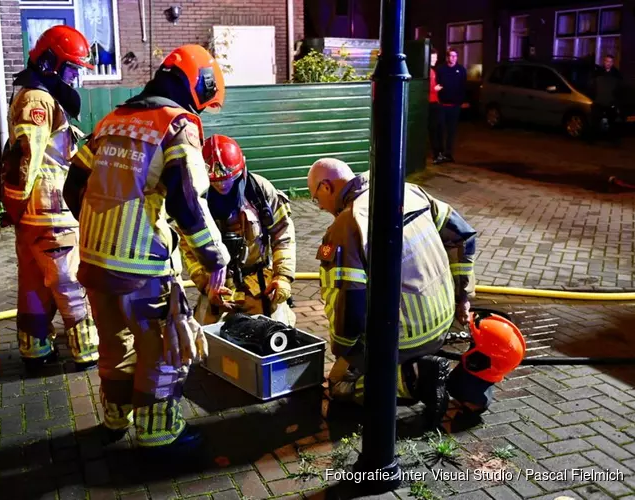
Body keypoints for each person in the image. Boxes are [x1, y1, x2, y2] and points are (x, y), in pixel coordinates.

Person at [62, 44, 231, 453]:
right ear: (198, 84)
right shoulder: (177, 126)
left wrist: (101, 228)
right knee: (162, 348)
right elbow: (188, 203)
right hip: (143, 269)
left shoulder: (112, 120)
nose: (202, 110)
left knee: (114, 344)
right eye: (205, 101)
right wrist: (215, 258)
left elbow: (72, 187)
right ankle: (159, 434)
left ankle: (115, 419)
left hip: (95, 263)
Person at [308, 158, 477, 429]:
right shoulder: (410, 191)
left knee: (338, 384)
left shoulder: (348, 224)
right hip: (444, 323)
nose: (321, 207)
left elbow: (349, 303)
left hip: (404, 339)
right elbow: (464, 236)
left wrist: (345, 352)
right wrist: (463, 296)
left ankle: (416, 378)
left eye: (317, 199)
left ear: (326, 187)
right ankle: (421, 367)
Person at [0, 25, 100, 369]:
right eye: (72, 68)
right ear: (51, 63)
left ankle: (36, 350)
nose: (75, 77)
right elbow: (26, 157)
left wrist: (14, 208)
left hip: (32, 215)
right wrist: (14, 202)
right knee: (68, 281)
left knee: (33, 286)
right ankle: (87, 351)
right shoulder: (38, 100)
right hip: (52, 212)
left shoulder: (37, 95)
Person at [179, 134, 297, 326]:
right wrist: (206, 285)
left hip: (258, 284)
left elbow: (282, 235)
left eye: (228, 179)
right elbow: (188, 248)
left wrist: (283, 277)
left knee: (275, 335)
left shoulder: (260, 191)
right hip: (217, 285)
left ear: (241, 169)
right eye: (215, 181)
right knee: (207, 342)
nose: (222, 185)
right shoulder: (194, 199)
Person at [435, 48, 467, 163]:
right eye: (451, 56)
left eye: (455, 56)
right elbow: (436, 84)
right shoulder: (441, 70)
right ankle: (439, 152)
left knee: (452, 130)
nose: (452, 58)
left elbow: (463, 86)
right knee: (440, 129)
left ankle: (448, 153)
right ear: (447, 57)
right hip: (442, 104)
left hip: (455, 105)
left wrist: (463, 101)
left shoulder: (461, 70)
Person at [591, 54, 623, 140]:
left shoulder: (616, 74)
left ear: (612, 63)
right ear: (604, 62)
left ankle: (612, 139)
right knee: (595, 120)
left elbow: (619, 89)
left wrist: (616, 101)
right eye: (606, 61)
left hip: (610, 102)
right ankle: (593, 139)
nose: (608, 63)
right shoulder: (598, 72)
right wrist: (594, 98)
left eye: (610, 62)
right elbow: (592, 86)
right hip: (598, 101)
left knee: (612, 121)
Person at [428, 48, 445, 165]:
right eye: (433, 57)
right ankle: (436, 154)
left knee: (438, 129)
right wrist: (435, 89)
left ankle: (438, 153)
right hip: (431, 103)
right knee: (434, 130)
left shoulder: (432, 71)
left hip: (435, 102)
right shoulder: (429, 72)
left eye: (436, 57)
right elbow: (427, 89)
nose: (436, 59)